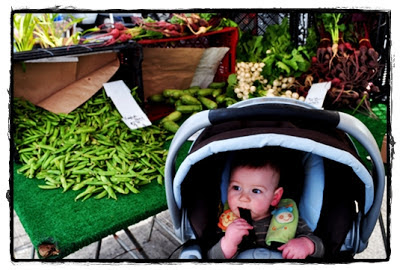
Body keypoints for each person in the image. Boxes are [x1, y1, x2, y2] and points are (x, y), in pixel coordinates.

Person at [207, 148, 325, 259]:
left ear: (275, 197)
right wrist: (228, 242)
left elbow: (320, 247)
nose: (243, 198)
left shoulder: (288, 219)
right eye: (236, 188)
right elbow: (211, 257)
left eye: (256, 191)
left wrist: (306, 244)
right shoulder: (226, 224)